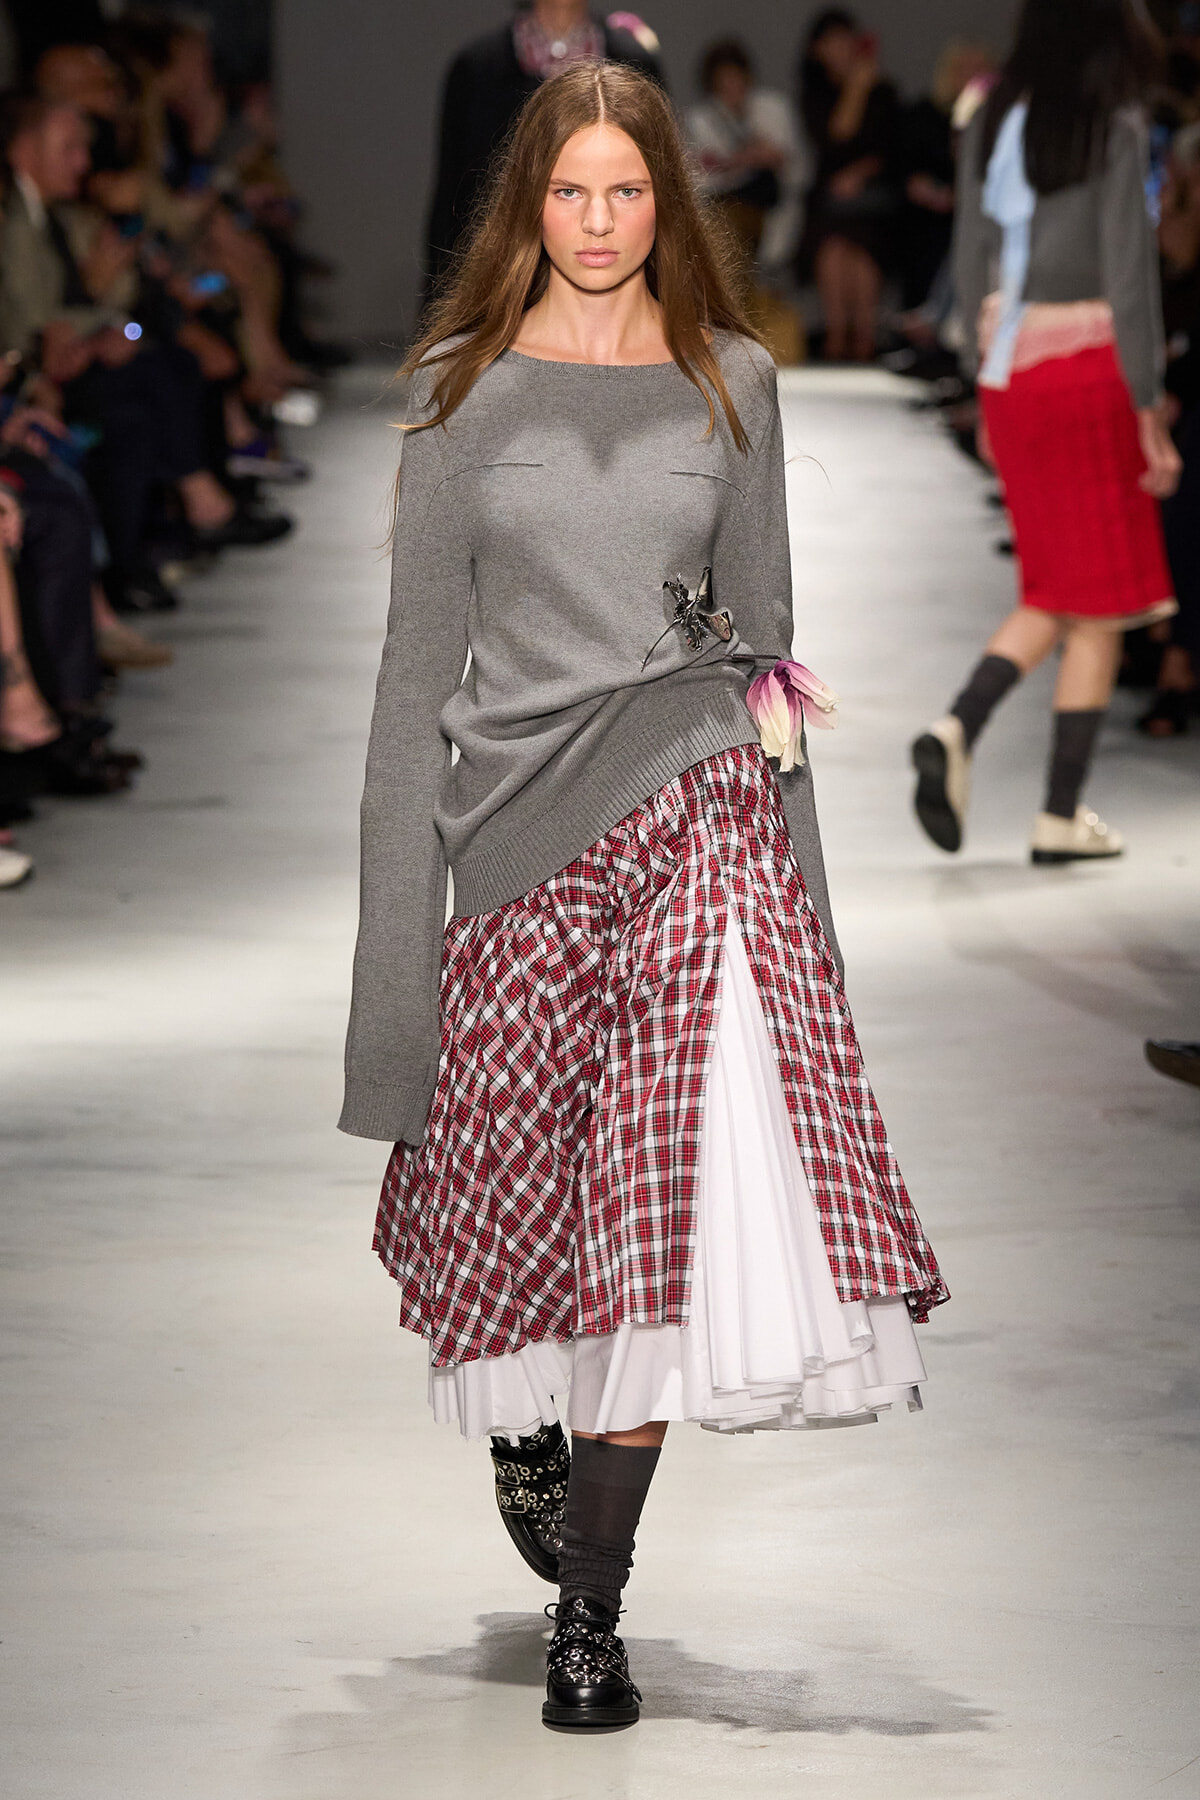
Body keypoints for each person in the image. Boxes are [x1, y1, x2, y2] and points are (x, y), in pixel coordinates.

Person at [341, 61, 947, 1733]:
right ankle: (534, 1431)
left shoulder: (733, 380)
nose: (601, 224)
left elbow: (770, 654)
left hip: (699, 813)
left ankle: (591, 1615)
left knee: (661, 1218)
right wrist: (400, 981)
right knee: (537, 1226)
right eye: (570, 192)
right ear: (526, 203)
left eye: (629, 192)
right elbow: (410, 697)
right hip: (520, 850)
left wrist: (806, 917)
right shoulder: (462, 400)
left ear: (667, 199)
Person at [911, 0, 1181, 865]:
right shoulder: (1118, 125)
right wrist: (1151, 414)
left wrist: (986, 390)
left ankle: (969, 737)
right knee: (1098, 606)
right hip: (1093, 369)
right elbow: (1130, 281)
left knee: (1057, 587)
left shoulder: (994, 114)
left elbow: (970, 259)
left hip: (1014, 369)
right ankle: (1049, 803)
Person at [422, 1, 663, 304]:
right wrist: (440, 303)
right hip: (498, 286)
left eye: (626, 191)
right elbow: (453, 194)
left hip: (625, 298)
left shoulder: (635, 61)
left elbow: (665, 183)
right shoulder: (476, 67)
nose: (597, 220)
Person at [687, 38, 808, 363]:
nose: (731, 88)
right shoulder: (703, 118)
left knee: (731, 248)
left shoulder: (773, 108)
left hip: (772, 208)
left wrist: (745, 159)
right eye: (723, 83)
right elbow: (704, 176)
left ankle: (739, 343)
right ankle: (736, 341)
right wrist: (751, 157)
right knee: (726, 246)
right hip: (725, 208)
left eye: (736, 79)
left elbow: (794, 166)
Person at [797, 8, 900, 362]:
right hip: (828, 201)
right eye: (832, 42)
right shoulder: (814, 94)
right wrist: (855, 89)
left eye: (846, 40)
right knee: (833, 249)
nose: (840, 48)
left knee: (861, 250)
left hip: (876, 200)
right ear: (817, 49)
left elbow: (892, 148)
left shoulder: (884, 91)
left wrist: (861, 174)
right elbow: (833, 138)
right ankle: (837, 338)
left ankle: (865, 339)